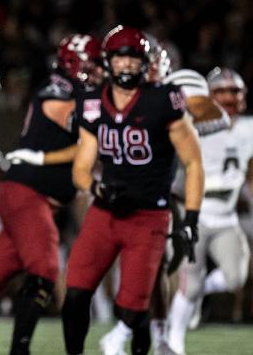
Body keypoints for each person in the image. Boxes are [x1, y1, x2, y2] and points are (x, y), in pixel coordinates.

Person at [0, 33, 103, 354]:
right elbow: (87, 134)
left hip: (32, 198)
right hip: (27, 194)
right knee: (45, 270)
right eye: (93, 64)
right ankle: (20, 349)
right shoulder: (59, 88)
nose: (98, 71)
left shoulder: (81, 93)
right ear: (74, 62)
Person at [61, 26, 203, 355]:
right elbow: (81, 168)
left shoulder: (162, 99)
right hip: (105, 211)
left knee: (134, 308)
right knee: (76, 294)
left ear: (145, 62)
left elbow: (193, 162)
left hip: (149, 215)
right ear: (108, 62)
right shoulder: (93, 102)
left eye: (132, 59)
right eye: (119, 58)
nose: (126, 66)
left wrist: (192, 216)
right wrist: (97, 187)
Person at [101, 35, 231, 355]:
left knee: (166, 263)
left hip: (179, 189)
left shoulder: (177, 85)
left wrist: (173, 125)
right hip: (142, 188)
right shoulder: (123, 94)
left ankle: (163, 331)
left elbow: (218, 115)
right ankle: (153, 331)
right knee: (149, 266)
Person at [166, 67, 252, 355]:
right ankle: (173, 342)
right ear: (207, 97)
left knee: (236, 278)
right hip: (194, 213)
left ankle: (199, 291)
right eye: (222, 92)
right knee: (188, 285)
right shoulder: (192, 123)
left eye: (235, 91)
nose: (229, 97)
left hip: (227, 217)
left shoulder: (249, 127)